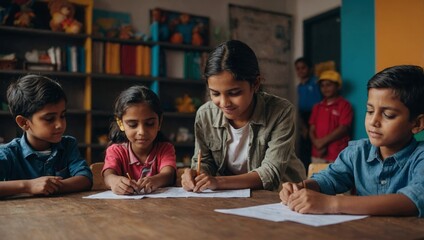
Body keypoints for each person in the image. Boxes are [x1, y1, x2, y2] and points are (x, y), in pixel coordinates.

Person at [280, 65, 424, 217]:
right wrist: (302, 187)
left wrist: (331, 203)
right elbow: (330, 178)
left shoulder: (419, 158)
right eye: (370, 111)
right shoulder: (357, 152)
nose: (373, 121)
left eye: (388, 115)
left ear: (417, 124)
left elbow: (412, 200)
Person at [181, 40, 306, 192]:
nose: (224, 102)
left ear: (255, 84)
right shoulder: (205, 114)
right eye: (215, 93)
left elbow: (270, 174)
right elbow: (205, 161)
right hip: (232, 198)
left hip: (282, 196)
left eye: (234, 93)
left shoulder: (281, 112)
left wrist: (218, 182)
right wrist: (197, 175)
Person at [0, 75, 92, 197]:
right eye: (49, 119)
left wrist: (51, 187)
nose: (60, 125)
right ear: (24, 122)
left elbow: (85, 179)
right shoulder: (8, 154)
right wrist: (28, 186)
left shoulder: (68, 145)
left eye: (63, 116)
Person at [102, 85, 176, 195]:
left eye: (149, 124)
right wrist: (114, 181)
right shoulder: (116, 151)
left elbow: (168, 175)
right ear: (120, 123)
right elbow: (108, 175)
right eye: (132, 125)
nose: (141, 131)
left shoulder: (165, 148)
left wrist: (155, 180)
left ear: (159, 122)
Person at [309, 70, 353, 163]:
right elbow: (312, 128)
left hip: (336, 154)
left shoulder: (344, 105)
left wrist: (322, 142)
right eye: (322, 85)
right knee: (316, 176)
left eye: (329, 85)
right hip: (318, 153)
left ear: (338, 86)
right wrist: (317, 144)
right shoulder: (317, 106)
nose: (325, 88)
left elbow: (343, 128)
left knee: (336, 177)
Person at [294, 57, 322, 168]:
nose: (300, 71)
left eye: (303, 68)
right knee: (304, 146)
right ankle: (304, 171)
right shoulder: (299, 87)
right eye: (298, 68)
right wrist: (302, 124)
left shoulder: (316, 82)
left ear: (310, 69)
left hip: (316, 116)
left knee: (314, 144)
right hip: (303, 117)